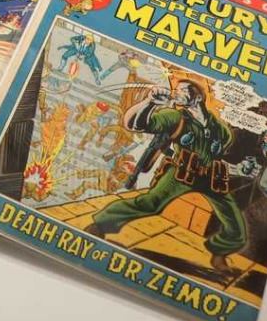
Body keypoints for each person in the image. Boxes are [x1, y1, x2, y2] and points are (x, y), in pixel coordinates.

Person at [87, 78, 250, 281]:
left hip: (210, 177)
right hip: (181, 173)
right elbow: (134, 124)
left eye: (182, 90)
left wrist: (239, 169)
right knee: (150, 203)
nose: (176, 93)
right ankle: (100, 224)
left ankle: (220, 253)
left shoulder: (221, 129)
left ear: (198, 96)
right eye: (176, 90)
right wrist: (150, 102)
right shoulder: (174, 116)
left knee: (235, 222)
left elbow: (216, 157)